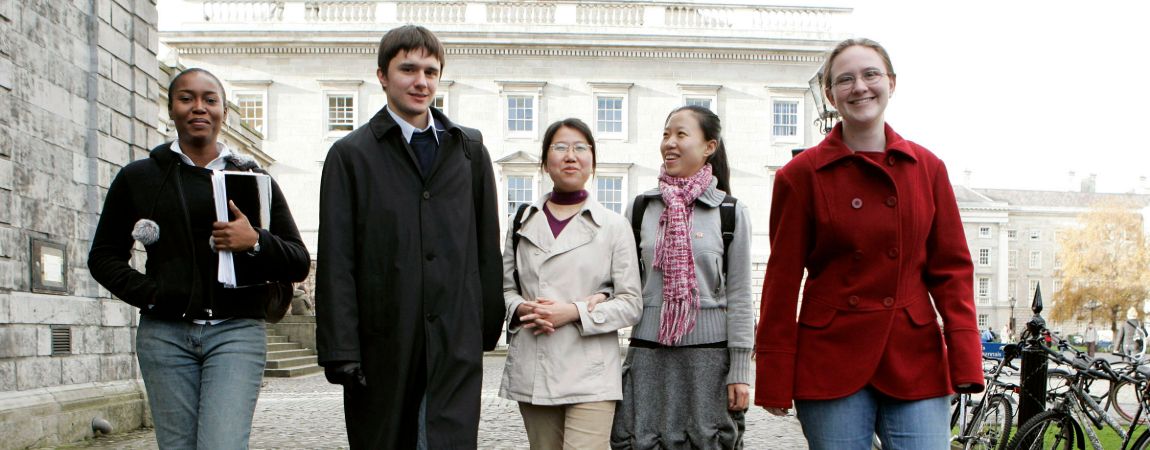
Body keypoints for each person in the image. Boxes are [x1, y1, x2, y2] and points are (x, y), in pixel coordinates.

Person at [754, 38, 984, 450]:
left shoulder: (928, 168)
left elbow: (951, 269)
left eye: (870, 74)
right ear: (830, 95)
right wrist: (774, 374)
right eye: (845, 79)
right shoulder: (799, 176)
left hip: (914, 354)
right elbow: (782, 280)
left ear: (891, 83)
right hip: (830, 355)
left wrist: (965, 352)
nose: (860, 87)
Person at [88, 68, 311, 448]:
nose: (199, 108)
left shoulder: (254, 179)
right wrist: (152, 294)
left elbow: (298, 260)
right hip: (165, 335)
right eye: (186, 98)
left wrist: (254, 240)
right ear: (171, 108)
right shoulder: (139, 177)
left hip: (236, 332)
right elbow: (104, 256)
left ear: (223, 110)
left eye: (210, 100)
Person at [315, 25, 504, 449]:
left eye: (431, 71)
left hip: (452, 337)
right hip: (383, 340)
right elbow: (337, 257)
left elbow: (485, 247)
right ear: (382, 75)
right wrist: (341, 347)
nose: (421, 82)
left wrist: (484, 325)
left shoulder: (468, 150)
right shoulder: (351, 155)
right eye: (408, 69)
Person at [611, 105, 754, 449]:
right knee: (642, 441)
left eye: (681, 134)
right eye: (665, 134)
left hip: (709, 359)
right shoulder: (641, 207)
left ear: (709, 147)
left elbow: (740, 296)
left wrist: (739, 371)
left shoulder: (729, 212)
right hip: (648, 353)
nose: (669, 143)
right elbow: (622, 283)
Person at [500, 118, 643, 449]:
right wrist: (521, 307)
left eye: (581, 148)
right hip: (535, 364)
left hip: (591, 371)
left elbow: (631, 303)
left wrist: (574, 312)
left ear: (592, 160)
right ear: (545, 161)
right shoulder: (521, 220)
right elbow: (505, 289)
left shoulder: (614, 226)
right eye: (560, 147)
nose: (570, 156)